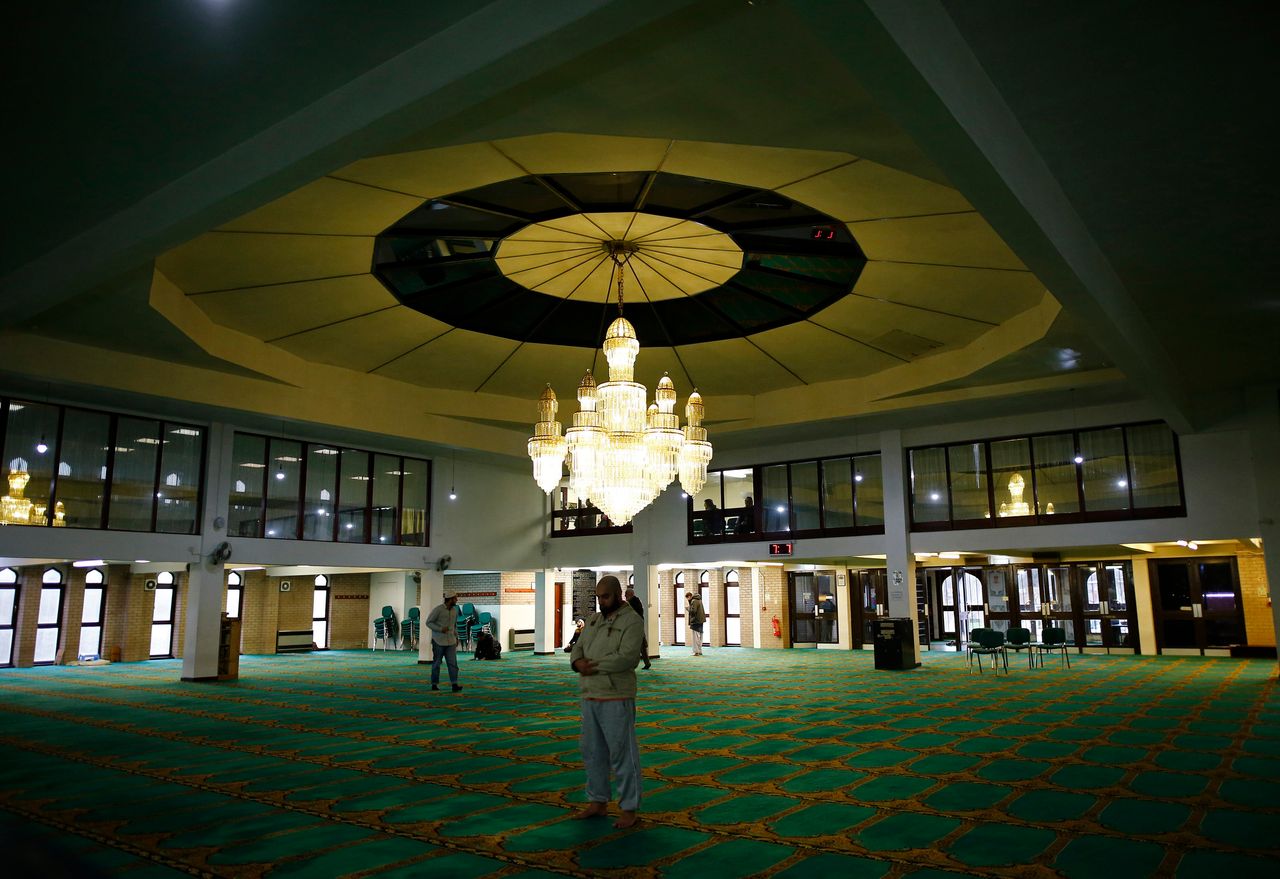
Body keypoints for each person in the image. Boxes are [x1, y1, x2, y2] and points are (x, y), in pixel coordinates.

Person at [570, 575, 644, 829]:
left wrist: (591, 666)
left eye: (606, 596)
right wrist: (577, 663)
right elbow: (577, 649)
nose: (601, 602)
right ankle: (597, 801)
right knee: (592, 752)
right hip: (590, 694)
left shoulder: (632, 622)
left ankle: (629, 808)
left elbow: (627, 658)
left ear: (618, 594)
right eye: (598, 597)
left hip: (617, 696)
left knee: (623, 754)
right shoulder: (593, 620)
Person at [425, 589, 463, 692]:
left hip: (451, 641)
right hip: (438, 640)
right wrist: (440, 629)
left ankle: (454, 684)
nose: (457, 600)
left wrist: (456, 637)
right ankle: (434, 684)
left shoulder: (455, 611)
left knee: (453, 664)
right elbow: (428, 622)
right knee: (437, 663)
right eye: (455, 598)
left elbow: (453, 626)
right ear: (450, 599)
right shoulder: (438, 610)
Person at [624, 586, 653, 669]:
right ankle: (647, 662)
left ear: (630, 594)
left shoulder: (630, 602)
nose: (625, 596)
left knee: (632, 645)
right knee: (641, 646)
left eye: (626, 595)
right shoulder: (637, 601)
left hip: (633, 626)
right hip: (638, 624)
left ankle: (630, 664)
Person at [686, 590, 706, 655]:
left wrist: (688, 609)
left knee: (695, 637)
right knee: (700, 636)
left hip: (695, 621)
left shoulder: (694, 601)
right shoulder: (699, 600)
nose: (687, 599)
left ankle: (696, 651)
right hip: (700, 620)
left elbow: (693, 611)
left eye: (687, 598)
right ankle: (699, 650)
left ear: (689, 596)